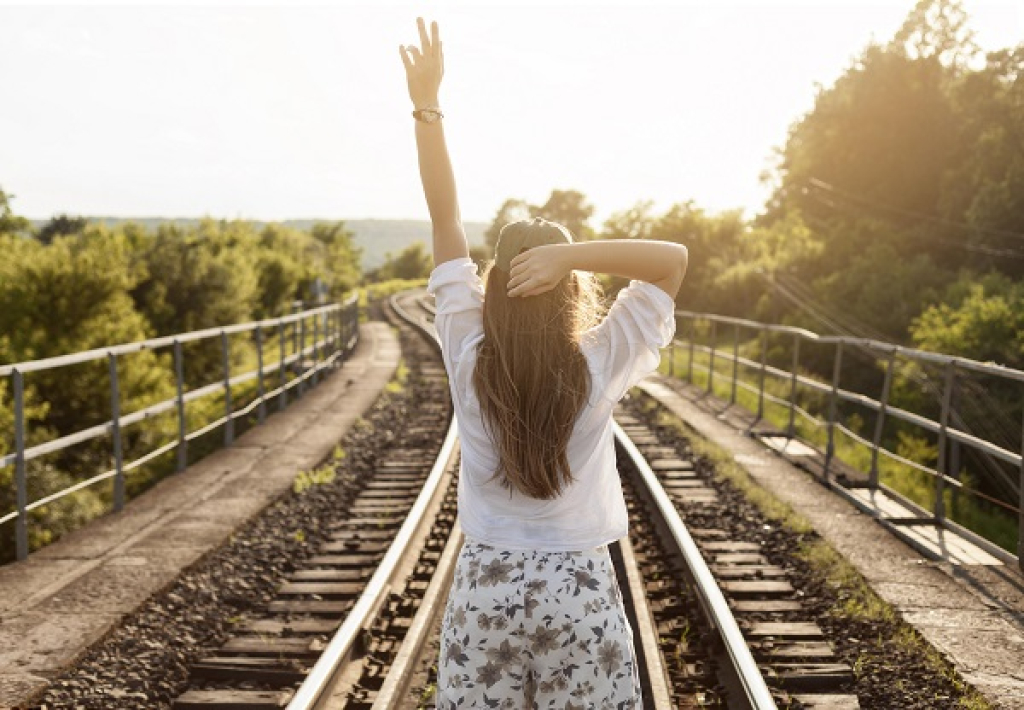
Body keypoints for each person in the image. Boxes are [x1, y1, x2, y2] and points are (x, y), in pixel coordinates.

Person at [400, 18, 688, 709]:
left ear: (492, 286)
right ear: (574, 292)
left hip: (486, 584)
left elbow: (445, 223)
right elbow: (672, 259)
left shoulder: (468, 350)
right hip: (580, 588)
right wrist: (572, 254)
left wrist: (427, 105)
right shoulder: (600, 358)